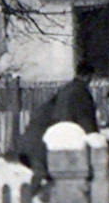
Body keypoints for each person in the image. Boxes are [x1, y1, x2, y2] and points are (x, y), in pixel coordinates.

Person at [13, 60, 100, 191]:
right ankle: (32, 197)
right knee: (48, 174)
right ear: (88, 76)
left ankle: (35, 197)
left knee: (48, 175)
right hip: (46, 144)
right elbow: (85, 119)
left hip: (33, 142)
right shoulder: (79, 92)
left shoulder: (63, 92)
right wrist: (93, 136)